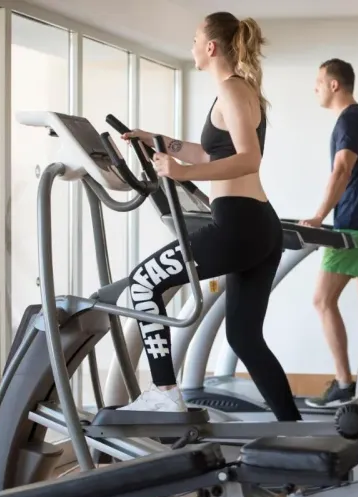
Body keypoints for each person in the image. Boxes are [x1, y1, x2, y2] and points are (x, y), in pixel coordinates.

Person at [116, 12, 301, 421]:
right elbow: (209, 152)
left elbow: (249, 159)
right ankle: (296, 431)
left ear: (211, 46)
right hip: (256, 225)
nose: (193, 46)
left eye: (195, 39)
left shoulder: (232, 90)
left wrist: (182, 173)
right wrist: (158, 141)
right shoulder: (237, 90)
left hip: (239, 225)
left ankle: (165, 392)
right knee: (244, 338)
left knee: (143, 282)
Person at [300, 59, 358, 408]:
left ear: (334, 84)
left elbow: (342, 169)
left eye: (318, 81)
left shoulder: (349, 120)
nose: (315, 88)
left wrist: (318, 216)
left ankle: (343, 384)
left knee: (322, 301)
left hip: (355, 225)